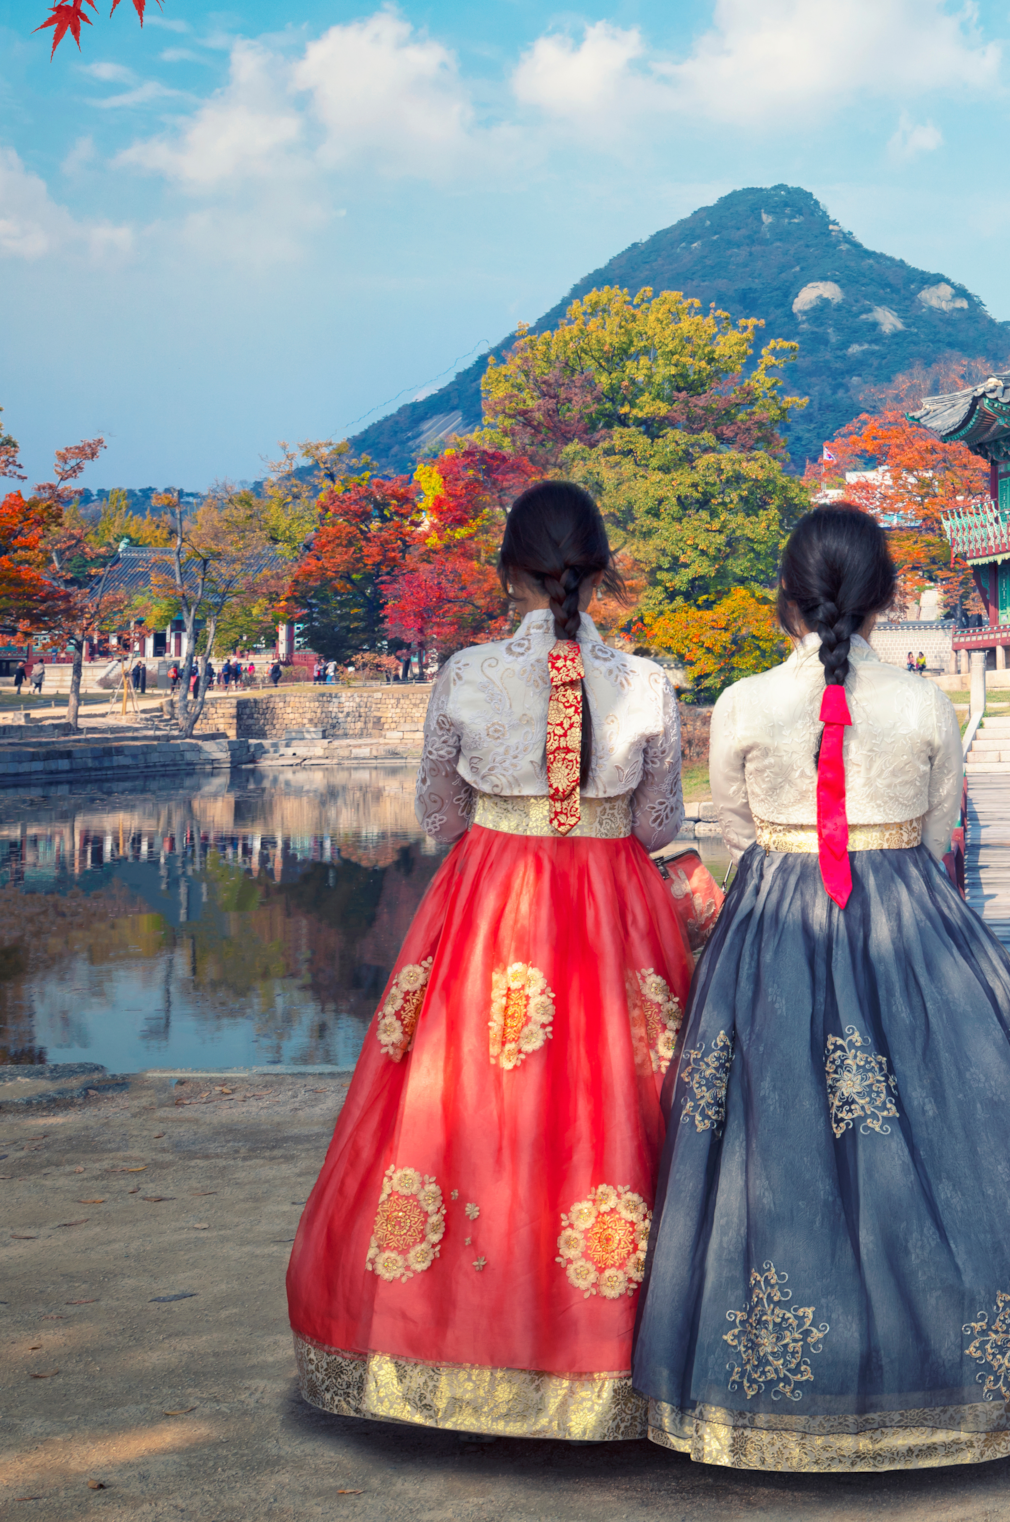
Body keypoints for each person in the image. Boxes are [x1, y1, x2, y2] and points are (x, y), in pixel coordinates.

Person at [635, 502, 1010, 1470]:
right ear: (886, 598)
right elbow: (941, 834)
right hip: (912, 926)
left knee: (767, 1151)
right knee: (955, 1137)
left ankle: (771, 1392)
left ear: (786, 595)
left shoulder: (737, 705)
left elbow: (733, 829)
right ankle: (951, 1375)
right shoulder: (925, 703)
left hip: (773, 925)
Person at [286, 480, 695, 1441]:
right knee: (618, 1106)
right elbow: (659, 823)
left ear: (506, 570)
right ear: (599, 574)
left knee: (461, 1106)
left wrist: (512, 820)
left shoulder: (466, 674)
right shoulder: (646, 681)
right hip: (612, 910)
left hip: (492, 907)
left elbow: (436, 820)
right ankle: (620, 1363)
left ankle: (441, 1343)